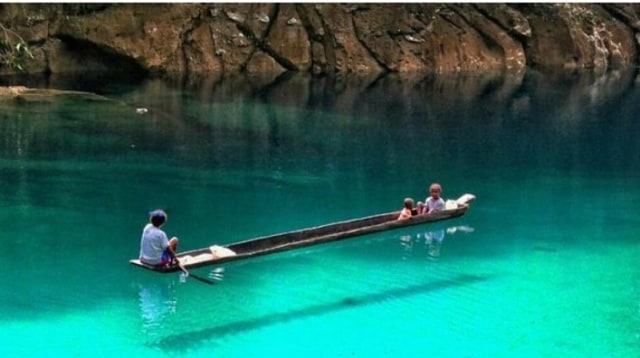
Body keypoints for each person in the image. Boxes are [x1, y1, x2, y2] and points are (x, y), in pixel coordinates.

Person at [139, 209, 188, 275]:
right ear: (163, 223)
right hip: (156, 262)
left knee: (161, 246)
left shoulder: (147, 228)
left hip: (143, 259)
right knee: (174, 240)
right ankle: (172, 262)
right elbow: (169, 249)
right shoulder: (161, 234)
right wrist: (176, 259)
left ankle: (168, 259)